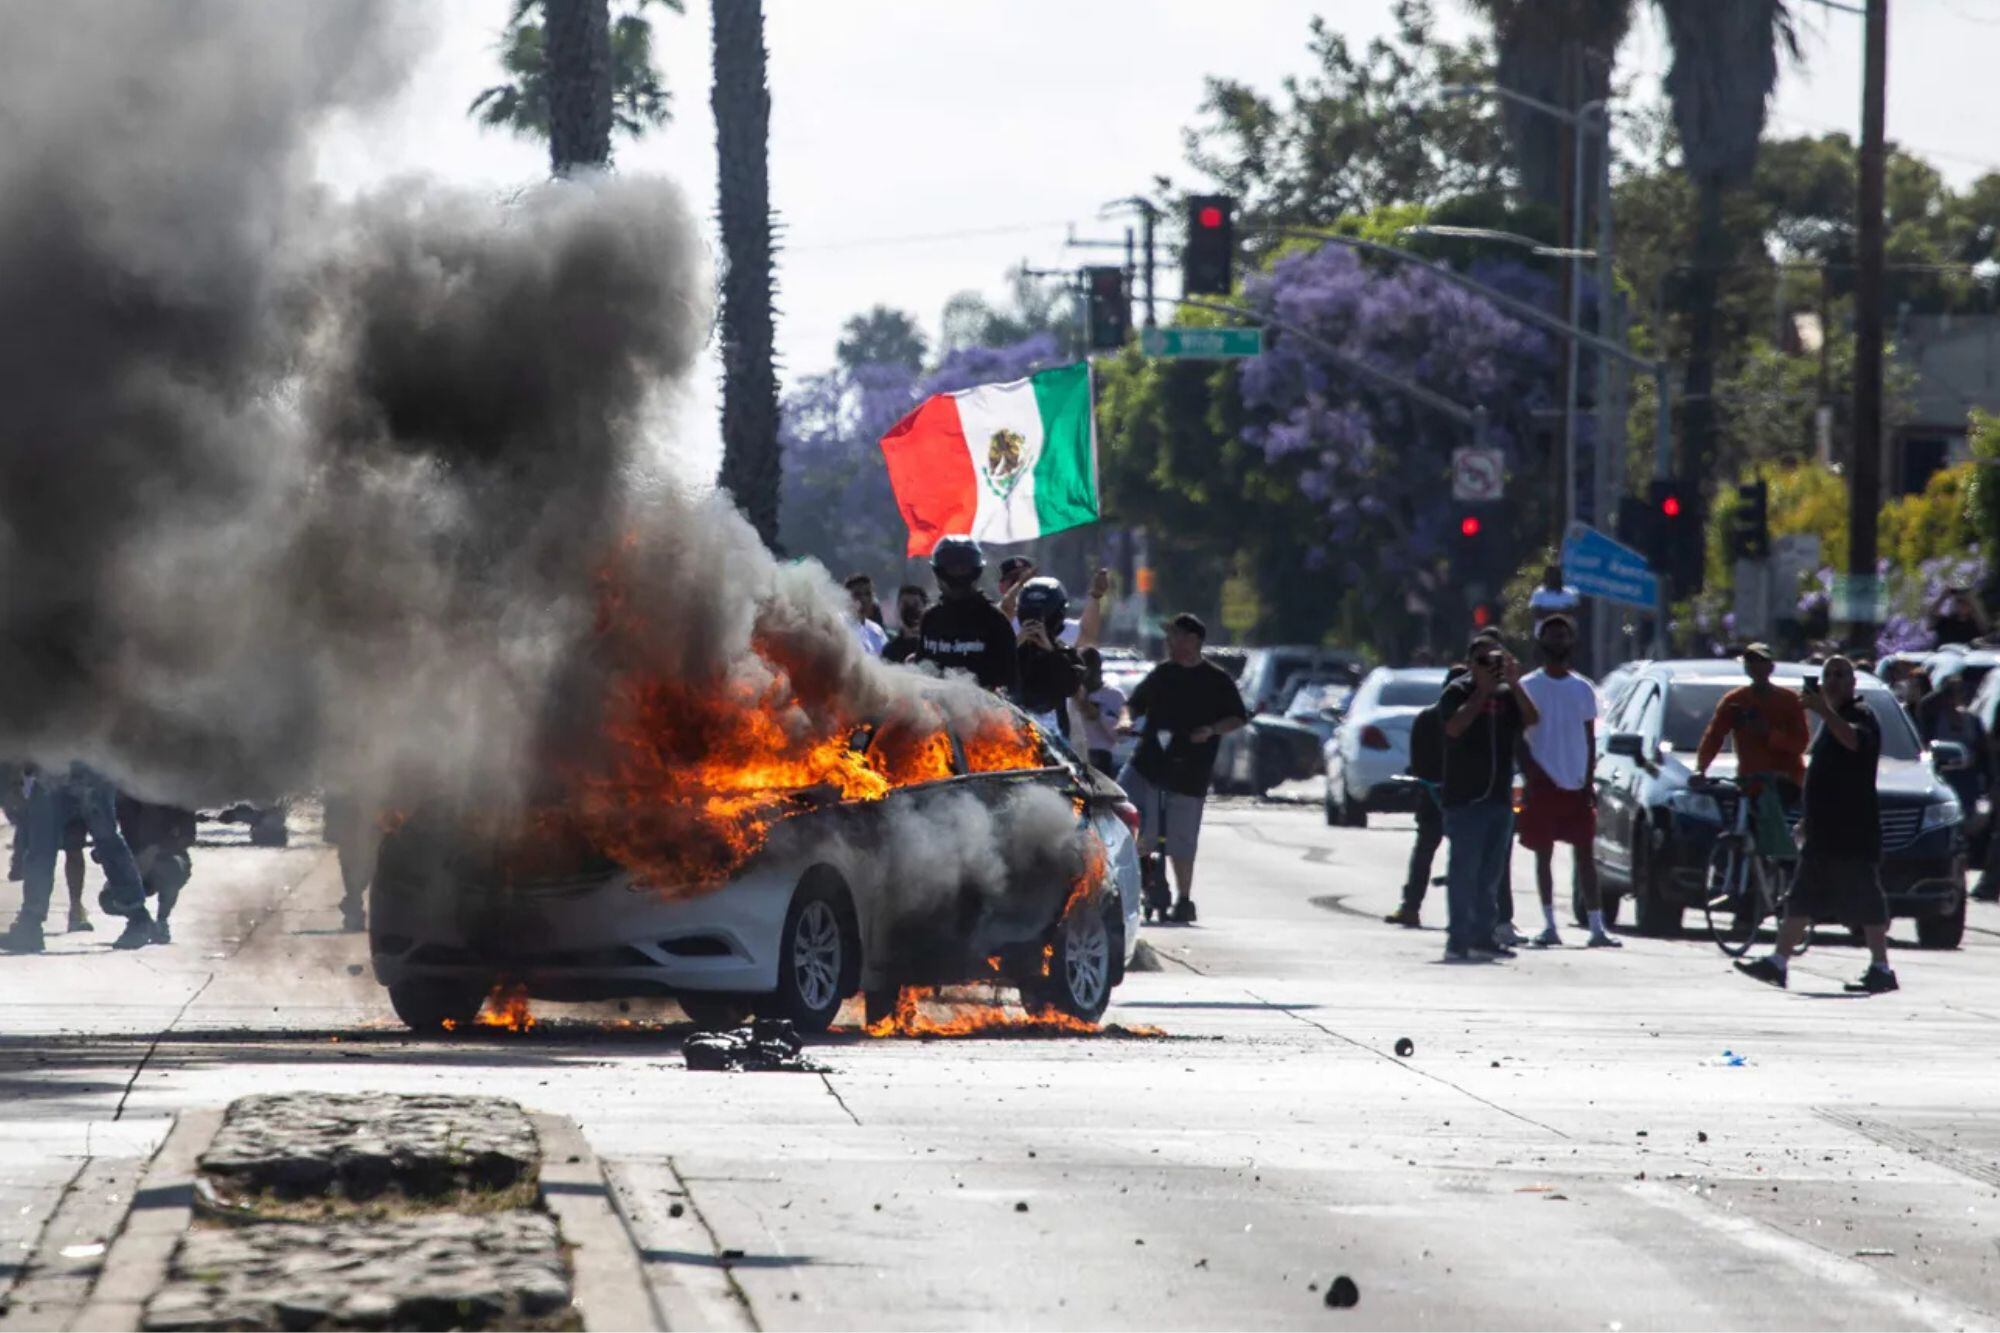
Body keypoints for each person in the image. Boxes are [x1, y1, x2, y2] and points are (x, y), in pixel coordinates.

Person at [1735, 656, 1900, 993]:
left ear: (1853, 684)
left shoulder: (1861, 716)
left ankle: (1882, 968)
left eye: (1842, 674)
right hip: (1825, 833)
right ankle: (1778, 963)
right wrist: (1808, 821)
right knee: (1801, 898)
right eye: (1829, 675)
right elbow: (1827, 779)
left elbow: (1854, 741)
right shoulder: (1830, 722)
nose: (1834, 680)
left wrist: (1823, 712)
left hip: (1852, 833)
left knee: (1867, 901)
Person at [1118, 614, 1250, 924]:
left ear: (1193, 641)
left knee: (1182, 839)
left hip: (1190, 769)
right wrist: (1125, 720)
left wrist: (1211, 730)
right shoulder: (1162, 674)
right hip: (1148, 763)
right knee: (1125, 814)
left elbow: (1237, 717)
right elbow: (1134, 703)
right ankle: (1141, 881)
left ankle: (1184, 899)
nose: (1169, 642)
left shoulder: (1217, 680)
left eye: (1175, 636)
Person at [1516, 616, 1618, 948]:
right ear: (1541, 642)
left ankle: (1596, 927)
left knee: (1585, 857)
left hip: (1577, 783)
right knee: (1543, 854)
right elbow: (1518, 736)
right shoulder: (1529, 686)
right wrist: (1530, 773)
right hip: (1542, 781)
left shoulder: (1583, 688)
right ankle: (1548, 925)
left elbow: (1590, 739)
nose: (1557, 641)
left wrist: (1589, 781)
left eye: (1563, 635)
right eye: (1551, 635)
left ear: (1571, 642)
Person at [1437, 633, 1538, 961]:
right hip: (1465, 798)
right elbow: (1453, 727)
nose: (1489, 667)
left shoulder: (1508, 696)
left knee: (1491, 875)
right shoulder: (1457, 692)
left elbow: (1532, 720)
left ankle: (1484, 935)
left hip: (1498, 796)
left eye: (1494, 660)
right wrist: (1481, 691)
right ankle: (1458, 938)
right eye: (1482, 661)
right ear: (1469, 664)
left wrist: (1514, 682)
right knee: (1464, 871)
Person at [0, 763, 147, 954]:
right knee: (40, 846)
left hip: (87, 764)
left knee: (106, 841)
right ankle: (30, 924)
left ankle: (138, 916)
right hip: (55, 768)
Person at [1694, 643, 1810, 793]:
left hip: (1787, 784)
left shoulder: (1789, 700)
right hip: (1750, 785)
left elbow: (1800, 743)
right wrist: (1700, 769)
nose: (1755, 666)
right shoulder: (1734, 700)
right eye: (1750, 661)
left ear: (1771, 667)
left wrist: (1769, 734)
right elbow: (1714, 737)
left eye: (1761, 661)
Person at [915, 535, 1017, 694]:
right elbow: (920, 672)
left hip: (982, 715)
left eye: (963, 569)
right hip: (933, 713)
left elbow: (1009, 680)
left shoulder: (994, 620)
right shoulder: (931, 618)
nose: (957, 574)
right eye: (952, 569)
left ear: (975, 572)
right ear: (939, 572)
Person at [1383, 689, 1445, 929]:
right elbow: (1419, 763)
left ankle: (1411, 906)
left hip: (1455, 796)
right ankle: (1410, 907)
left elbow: (1417, 763)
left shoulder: (1428, 717)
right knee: (1427, 850)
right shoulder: (1430, 718)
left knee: (1426, 851)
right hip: (1439, 795)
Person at [115, 795, 196, 945]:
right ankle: (141, 920)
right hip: (134, 862)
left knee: (172, 868)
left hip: (167, 858)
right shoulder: (127, 798)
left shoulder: (177, 795)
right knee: (110, 898)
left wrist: (156, 850)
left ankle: (162, 921)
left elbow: (188, 836)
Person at [1014, 577, 1083, 740]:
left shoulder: (1065, 653)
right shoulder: (1010, 649)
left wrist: (1051, 651)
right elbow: (992, 676)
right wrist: (1015, 646)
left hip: (1053, 737)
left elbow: (1071, 686)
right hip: (1014, 730)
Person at [1075, 647, 1126, 773]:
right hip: (1074, 755)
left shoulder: (1114, 695)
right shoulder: (1072, 694)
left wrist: (1100, 715)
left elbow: (1122, 737)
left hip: (1100, 757)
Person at [844, 574, 888, 657]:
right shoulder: (839, 626)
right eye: (857, 594)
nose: (864, 599)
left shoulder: (877, 631)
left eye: (868, 594)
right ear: (846, 597)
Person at [882, 585, 927, 665]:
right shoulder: (890, 650)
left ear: (925, 608)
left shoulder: (933, 645)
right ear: (898, 608)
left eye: (915, 604)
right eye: (905, 604)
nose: (911, 608)